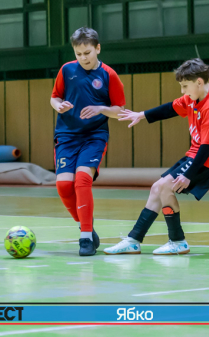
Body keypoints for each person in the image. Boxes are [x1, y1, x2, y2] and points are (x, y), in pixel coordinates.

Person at [105, 58, 209, 255]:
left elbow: (207, 147)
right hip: (196, 154)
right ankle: (133, 240)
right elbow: (171, 108)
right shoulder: (193, 98)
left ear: (199, 82)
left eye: (185, 86)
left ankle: (178, 241)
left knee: (165, 187)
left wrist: (188, 175)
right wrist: (141, 115)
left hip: (208, 160)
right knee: (157, 188)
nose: (182, 91)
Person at [51, 27, 126, 256]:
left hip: (94, 135)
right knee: (64, 185)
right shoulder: (66, 70)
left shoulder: (109, 75)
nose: (83, 58)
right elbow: (54, 97)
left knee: (82, 180)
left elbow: (120, 111)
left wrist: (101, 109)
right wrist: (59, 105)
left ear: (98, 48)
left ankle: (85, 238)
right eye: (79, 54)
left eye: (87, 53)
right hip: (66, 136)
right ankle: (86, 225)